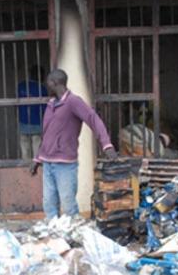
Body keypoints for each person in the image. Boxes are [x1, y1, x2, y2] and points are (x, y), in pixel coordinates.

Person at [30, 69, 117, 219]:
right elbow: (47, 133)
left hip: (65, 164)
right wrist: (37, 159)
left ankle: (76, 236)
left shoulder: (73, 102)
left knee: (68, 205)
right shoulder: (51, 104)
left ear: (54, 83)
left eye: (48, 84)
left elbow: (93, 119)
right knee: (49, 204)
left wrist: (106, 144)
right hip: (48, 163)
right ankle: (54, 237)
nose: (46, 87)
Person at [17, 65, 47, 161]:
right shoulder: (42, 88)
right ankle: (36, 169)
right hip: (37, 123)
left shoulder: (20, 86)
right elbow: (45, 109)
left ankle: (25, 170)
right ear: (40, 75)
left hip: (22, 122)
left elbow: (16, 105)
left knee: (24, 150)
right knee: (36, 149)